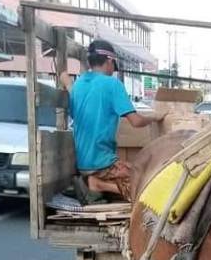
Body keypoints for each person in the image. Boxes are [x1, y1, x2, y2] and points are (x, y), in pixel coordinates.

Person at [60, 40, 155, 203]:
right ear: (110, 61)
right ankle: (97, 185)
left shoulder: (79, 84)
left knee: (135, 171)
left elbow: (75, 101)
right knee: (148, 185)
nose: (113, 70)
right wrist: (155, 117)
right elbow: (136, 121)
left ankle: (96, 184)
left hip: (84, 162)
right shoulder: (112, 84)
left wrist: (66, 81)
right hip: (101, 164)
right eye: (113, 65)